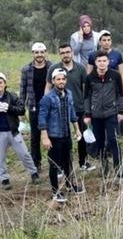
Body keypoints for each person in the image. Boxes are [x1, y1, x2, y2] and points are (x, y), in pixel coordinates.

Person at [39, 69, 83, 203]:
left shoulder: (68, 94)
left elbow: (72, 114)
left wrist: (77, 130)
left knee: (68, 162)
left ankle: (70, 185)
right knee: (54, 165)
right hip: (54, 136)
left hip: (66, 135)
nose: (61, 81)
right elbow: (42, 118)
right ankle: (55, 192)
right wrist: (45, 137)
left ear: (66, 80)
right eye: (58, 79)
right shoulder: (47, 98)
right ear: (53, 81)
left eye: (63, 79)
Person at [47, 44, 92, 172]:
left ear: (72, 52)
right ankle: (61, 166)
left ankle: (83, 162)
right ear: (59, 54)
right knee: (61, 139)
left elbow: (87, 88)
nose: (65, 55)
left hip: (78, 108)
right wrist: (46, 104)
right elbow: (48, 86)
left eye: (67, 52)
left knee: (81, 136)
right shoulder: (54, 69)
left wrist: (87, 106)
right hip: (59, 110)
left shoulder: (80, 68)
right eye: (62, 53)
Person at [83, 51, 123, 177]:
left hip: (111, 113)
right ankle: (104, 164)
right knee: (99, 141)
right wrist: (87, 114)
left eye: (104, 61)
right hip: (96, 115)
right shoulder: (90, 77)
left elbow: (120, 94)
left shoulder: (115, 75)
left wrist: (121, 111)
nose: (102, 63)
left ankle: (118, 168)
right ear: (95, 63)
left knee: (113, 140)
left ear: (108, 62)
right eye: (99, 61)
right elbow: (86, 97)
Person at [0, 73, 40, 190]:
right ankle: (4, 179)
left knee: (24, 154)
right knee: (0, 158)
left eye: (1, 82)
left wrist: (9, 108)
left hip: (13, 132)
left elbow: (22, 110)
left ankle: (34, 173)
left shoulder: (12, 96)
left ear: (5, 84)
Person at [19, 41, 52, 173]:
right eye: (37, 52)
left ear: (45, 53)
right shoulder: (26, 69)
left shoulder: (52, 67)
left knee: (52, 134)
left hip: (49, 107)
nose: (39, 54)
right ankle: (36, 163)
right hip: (33, 107)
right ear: (33, 54)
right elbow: (22, 90)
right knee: (35, 137)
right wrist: (21, 109)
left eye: (42, 52)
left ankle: (53, 161)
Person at [85, 32, 123, 97]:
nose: (106, 42)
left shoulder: (117, 55)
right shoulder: (93, 55)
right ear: (99, 42)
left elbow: (122, 74)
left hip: (113, 88)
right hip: (97, 88)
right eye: (104, 40)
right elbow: (88, 74)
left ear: (111, 41)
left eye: (108, 40)